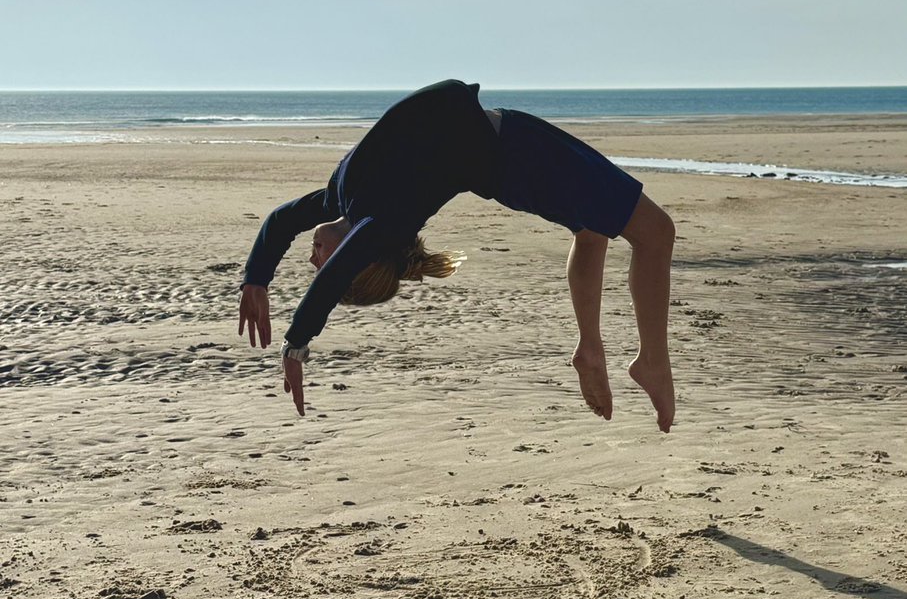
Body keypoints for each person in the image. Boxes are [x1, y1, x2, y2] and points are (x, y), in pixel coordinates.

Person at [238, 79, 676, 432]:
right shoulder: (384, 219)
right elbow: (336, 274)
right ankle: (651, 361)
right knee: (656, 234)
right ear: (363, 259)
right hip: (523, 157)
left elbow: (281, 220)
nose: (314, 262)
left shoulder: (343, 200)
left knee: (592, 230)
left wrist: (256, 278)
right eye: (324, 267)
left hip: (517, 151)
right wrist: (297, 343)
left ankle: (590, 348)